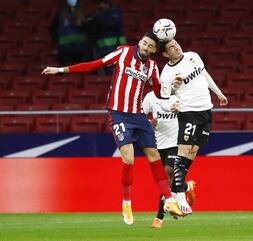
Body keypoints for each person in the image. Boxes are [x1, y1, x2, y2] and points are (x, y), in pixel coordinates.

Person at [41, 31, 183, 225]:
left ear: (154, 50)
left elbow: (159, 93)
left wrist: (172, 86)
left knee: (154, 157)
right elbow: (94, 65)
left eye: (150, 46)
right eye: (144, 43)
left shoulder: (151, 67)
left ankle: (169, 200)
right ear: (139, 42)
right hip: (119, 114)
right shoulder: (123, 52)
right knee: (129, 159)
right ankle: (126, 201)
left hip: (139, 116)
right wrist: (61, 70)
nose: (145, 48)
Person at [158, 39, 228, 216]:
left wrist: (218, 93)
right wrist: (174, 92)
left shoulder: (193, 56)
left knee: (193, 152)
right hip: (188, 112)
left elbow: (205, 75)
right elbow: (165, 97)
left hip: (206, 111)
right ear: (166, 54)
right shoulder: (166, 73)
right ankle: (181, 197)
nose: (177, 47)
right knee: (183, 151)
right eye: (172, 47)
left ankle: (173, 193)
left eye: (176, 43)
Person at [142, 90, 196, 228]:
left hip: (176, 143)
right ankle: (185, 186)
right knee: (165, 180)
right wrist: (148, 122)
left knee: (167, 174)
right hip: (157, 145)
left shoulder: (179, 96)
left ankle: (159, 219)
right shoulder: (150, 97)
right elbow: (139, 116)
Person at [85, 0, 126, 74]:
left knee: (114, 70)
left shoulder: (115, 13)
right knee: (103, 71)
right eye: (99, 4)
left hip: (114, 48)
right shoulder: (96, 15)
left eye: (103, 3)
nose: (101, 6)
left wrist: (96, 18)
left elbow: (112, 24)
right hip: (100, 50)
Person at [49, 0, 90, 65]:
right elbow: (52, 29)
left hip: (81, 50)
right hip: (65, 50)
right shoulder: (60, 14)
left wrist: (82, 25)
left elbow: (89, 29)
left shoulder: (84, 13)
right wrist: (57, 40)